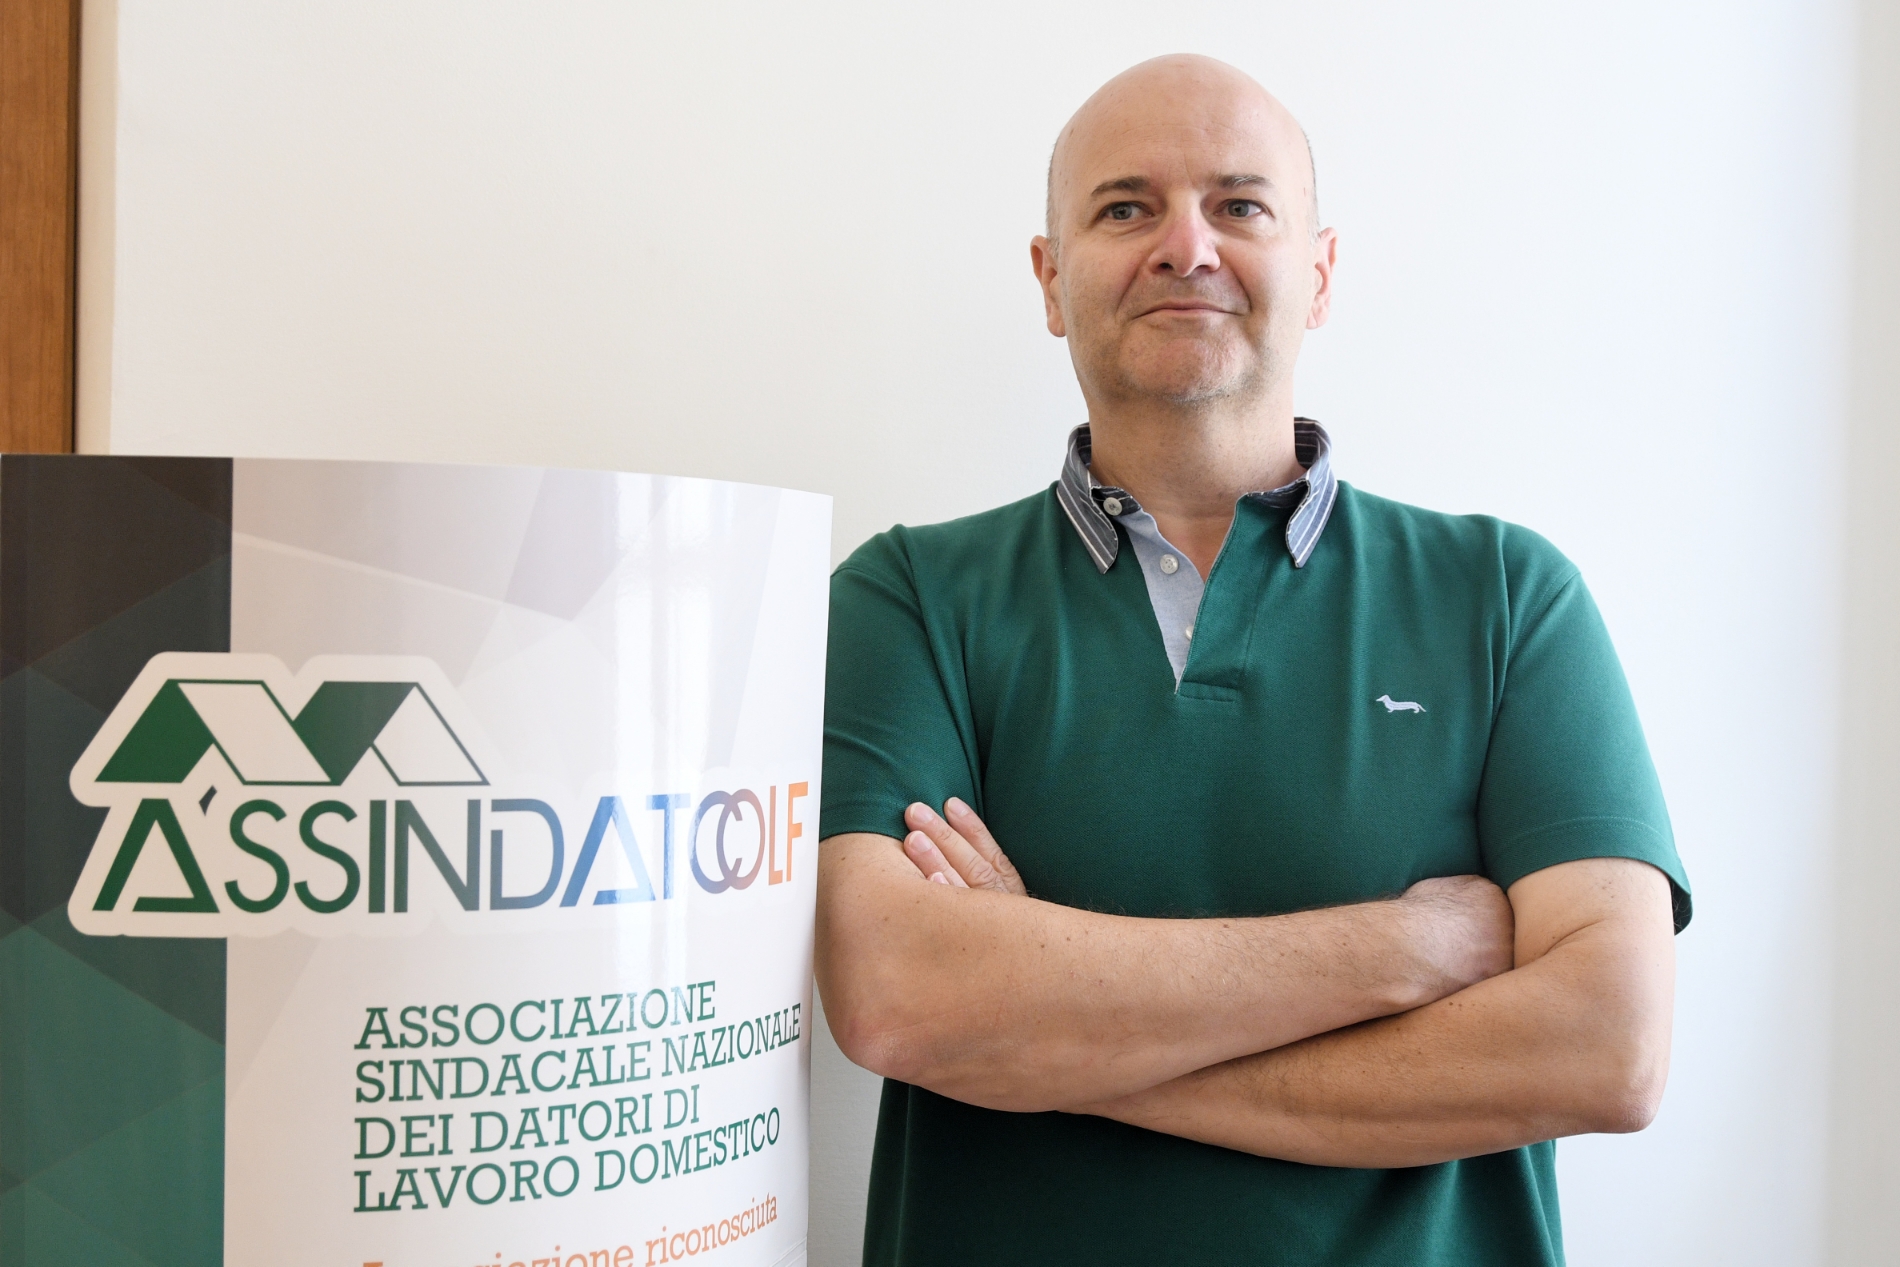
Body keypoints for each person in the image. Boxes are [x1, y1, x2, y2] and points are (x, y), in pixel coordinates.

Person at [815, 52, 1689, 1267]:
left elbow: (1607, 1047)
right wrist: (1405, 951)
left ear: (1317, 273)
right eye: (1126, 209)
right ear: (1051, 279)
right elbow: (896, 994)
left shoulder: (1507, 595)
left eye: (1239, 205)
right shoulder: (905, 596)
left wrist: (1047, 1036)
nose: (1186, 247)